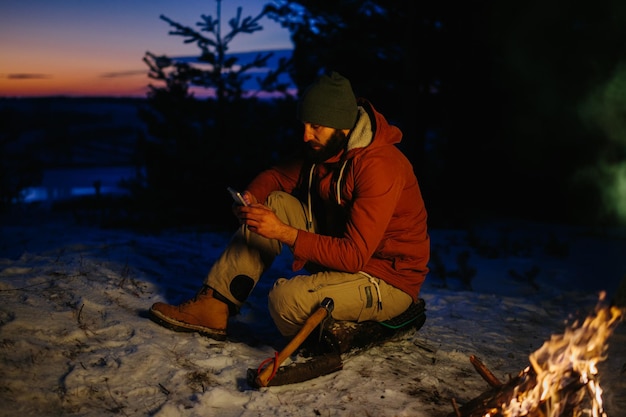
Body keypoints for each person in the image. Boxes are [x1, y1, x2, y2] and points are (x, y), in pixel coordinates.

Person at [149, 71, 430, 342]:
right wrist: (251, 198)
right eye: (304, 125)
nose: (306, 135)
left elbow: (354, 255)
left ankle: (364, 327)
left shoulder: (379, 166)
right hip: (347, 260)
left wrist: (283, 232)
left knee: (285, 303)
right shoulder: (329, 149)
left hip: (386, 279)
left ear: (342, 125)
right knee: (273, 205)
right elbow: (277, 176)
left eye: (315, 126)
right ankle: (214, 306)